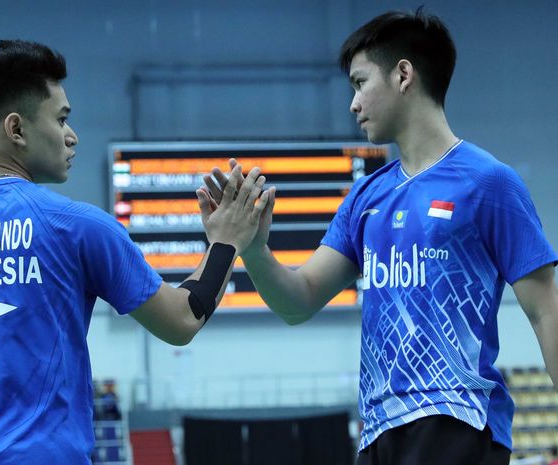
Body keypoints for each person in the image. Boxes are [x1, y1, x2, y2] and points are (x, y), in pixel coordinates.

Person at [0, 39, 273, 465]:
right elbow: (183, 319)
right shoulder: (78, 226)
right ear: (16, 129)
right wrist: (226, 241)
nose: (72, 137)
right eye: (61, 120)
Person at [204, 9, 558, 465]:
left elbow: (546, 311)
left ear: (403, 75)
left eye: (359, 82)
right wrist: (254, 249)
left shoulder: (490, 184)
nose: (352, 103)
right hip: (377, 431)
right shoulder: (365, 198)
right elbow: (299, 300)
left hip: (456, 420)